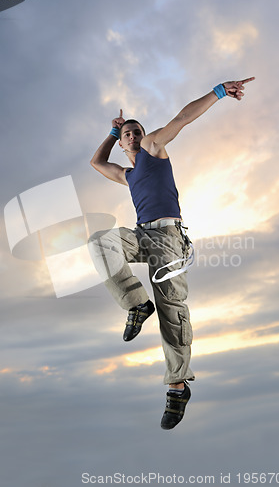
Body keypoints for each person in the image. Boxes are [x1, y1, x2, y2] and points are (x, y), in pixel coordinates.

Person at [88, 78, 255, 429]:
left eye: (135, 131)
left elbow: (181, 119)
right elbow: (96, 163)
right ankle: (136, 303)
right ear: (122, 143)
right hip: (141, 235)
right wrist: (111, 132)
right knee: (101, 242)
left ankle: (177, 386)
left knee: (171, 312)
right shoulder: (128, 174)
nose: (132, 136)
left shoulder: (152, 149)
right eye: (127, 135)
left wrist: (220, 92)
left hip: (168, 239)